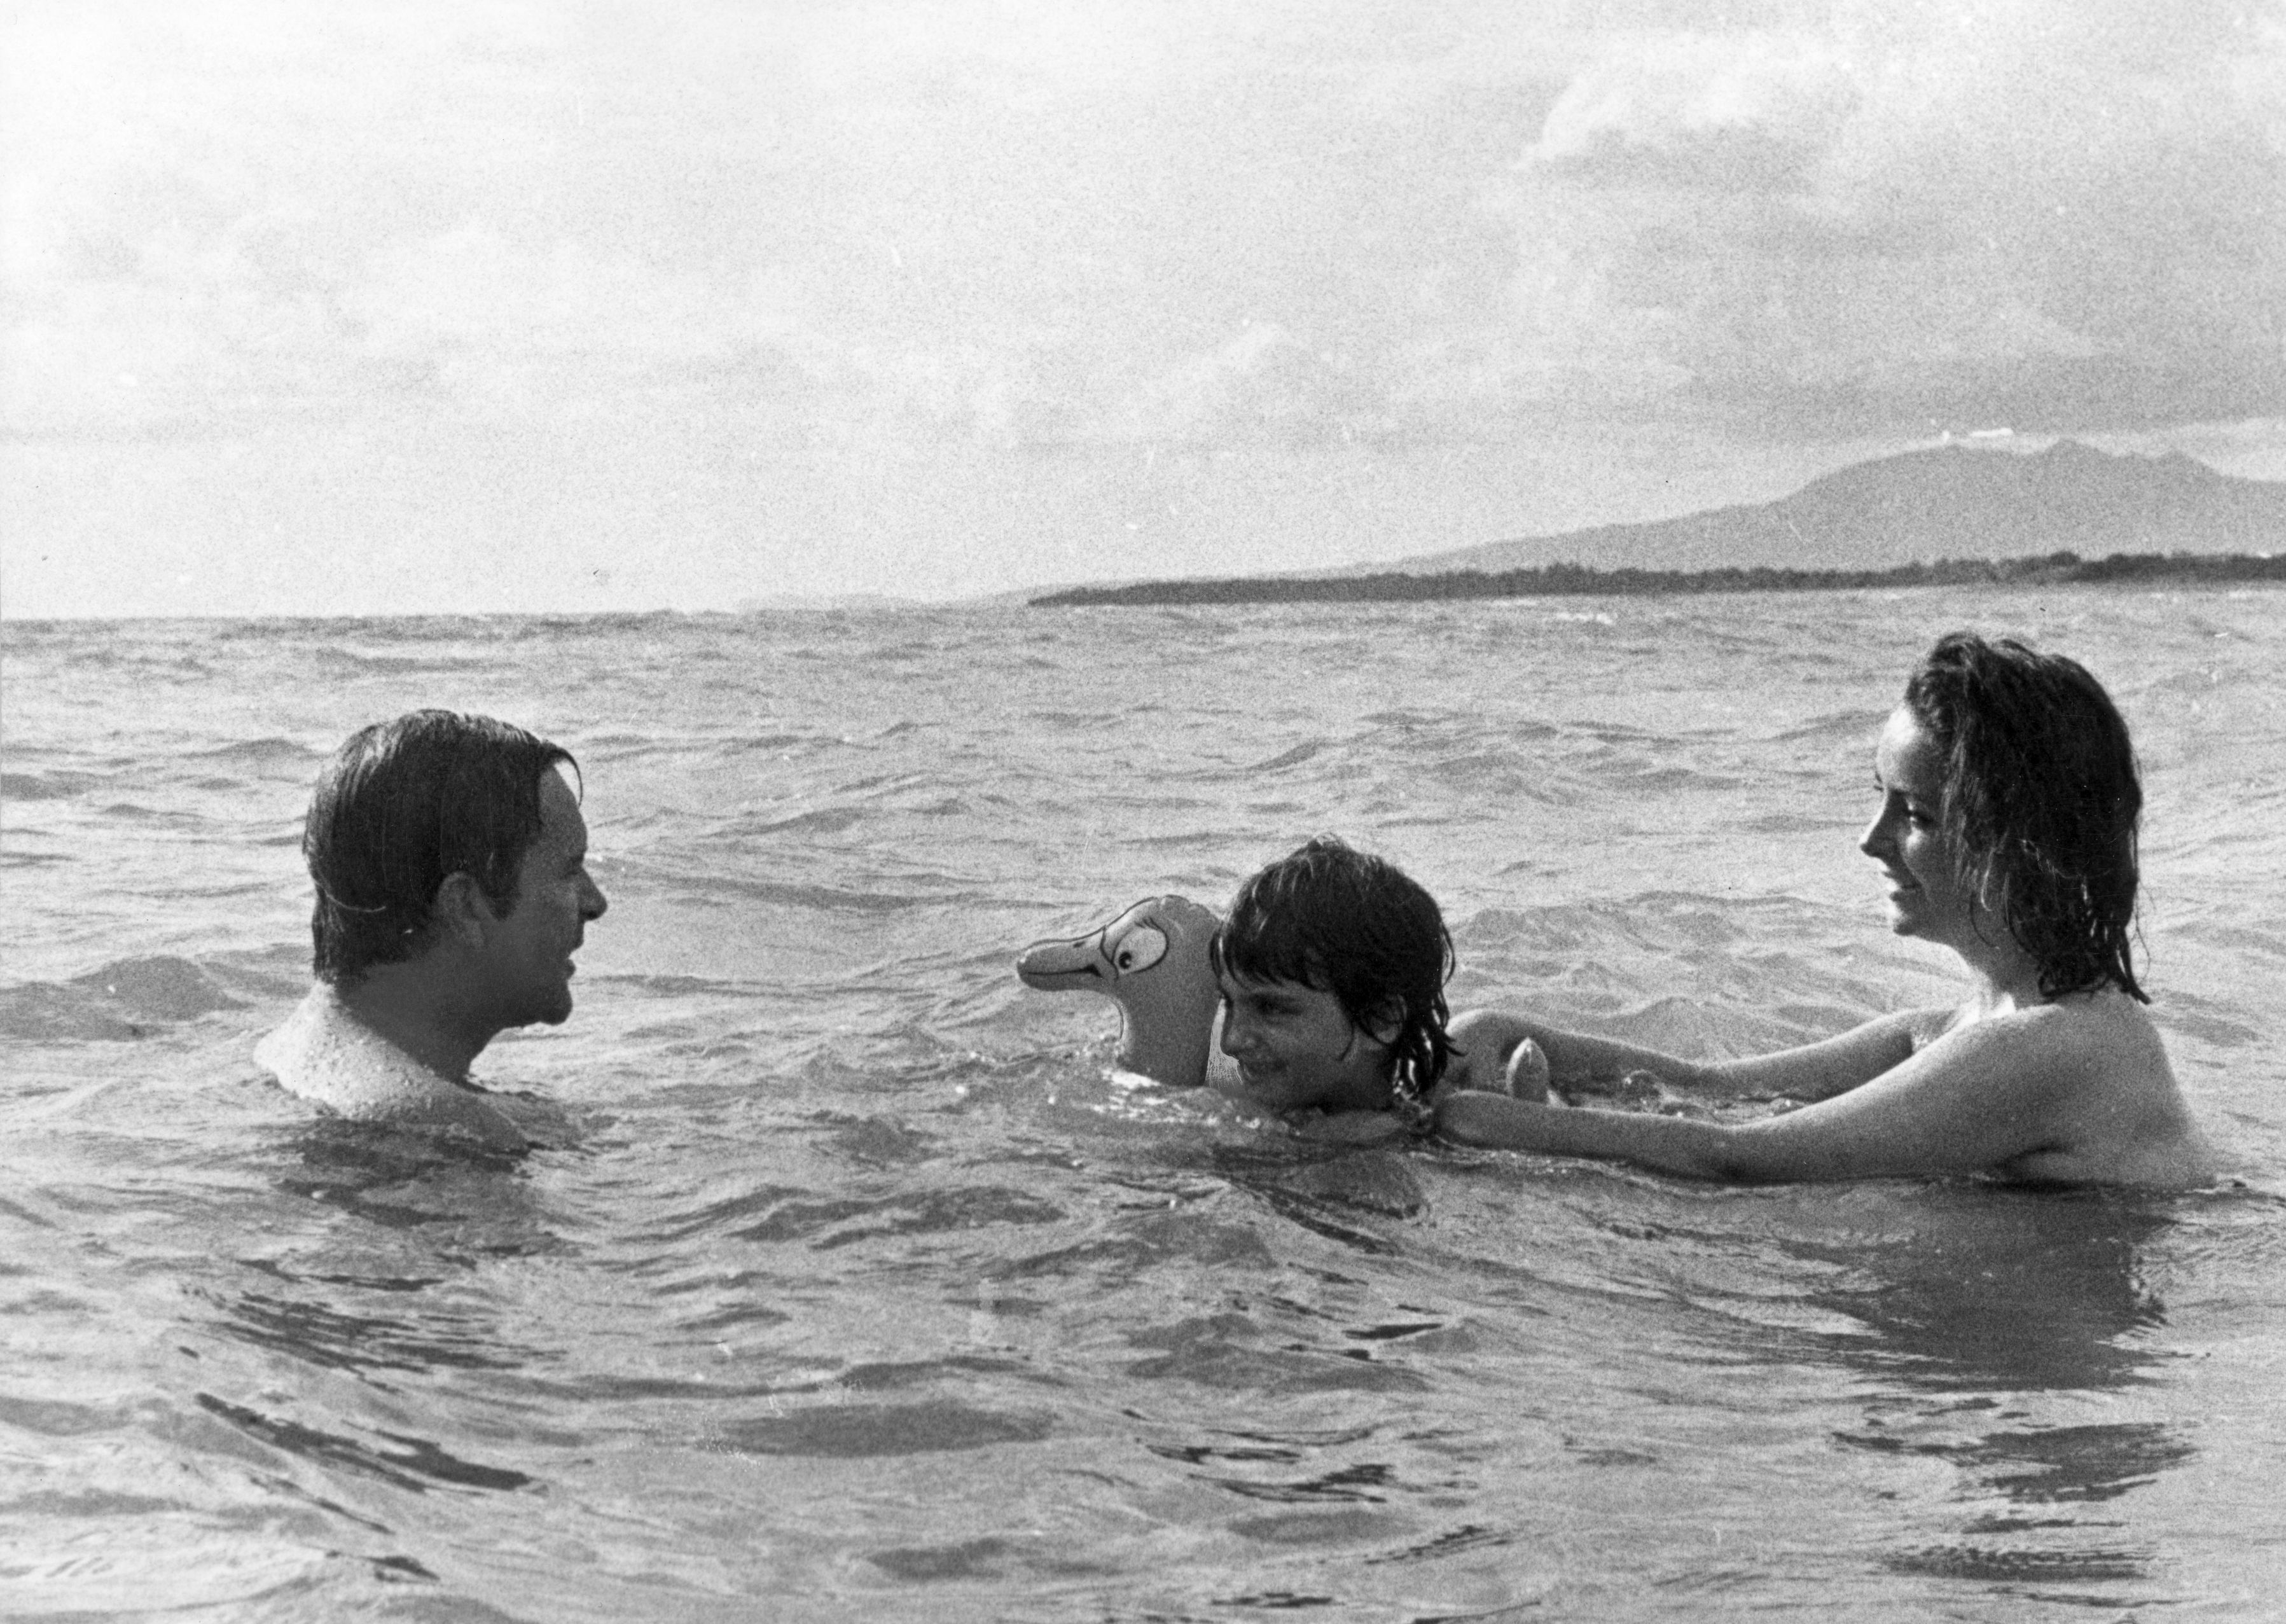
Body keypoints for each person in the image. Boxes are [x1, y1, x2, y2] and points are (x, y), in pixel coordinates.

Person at [1438, 632, 2215, 1188]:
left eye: (1914, 814)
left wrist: (1469, 1123)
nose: (1870, 840)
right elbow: (1707, 1090)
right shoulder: (1958, 1027)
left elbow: (1738, 1158)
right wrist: (1507, 1029)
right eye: (1879, 799)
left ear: (2019, 841)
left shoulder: (2060, 1047)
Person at [256, 711, 608, 1149]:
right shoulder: (445, 1128)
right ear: (465, 908)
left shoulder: (285, 1051)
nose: (596, 902)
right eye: (569, 871)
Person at [1210, 836, 1471, 1144]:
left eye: (1271, 1008)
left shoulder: (1433, 1134)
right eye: (1228, 1002)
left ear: (1380, 1019)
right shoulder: (1275, 1114)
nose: (1230, 1041)